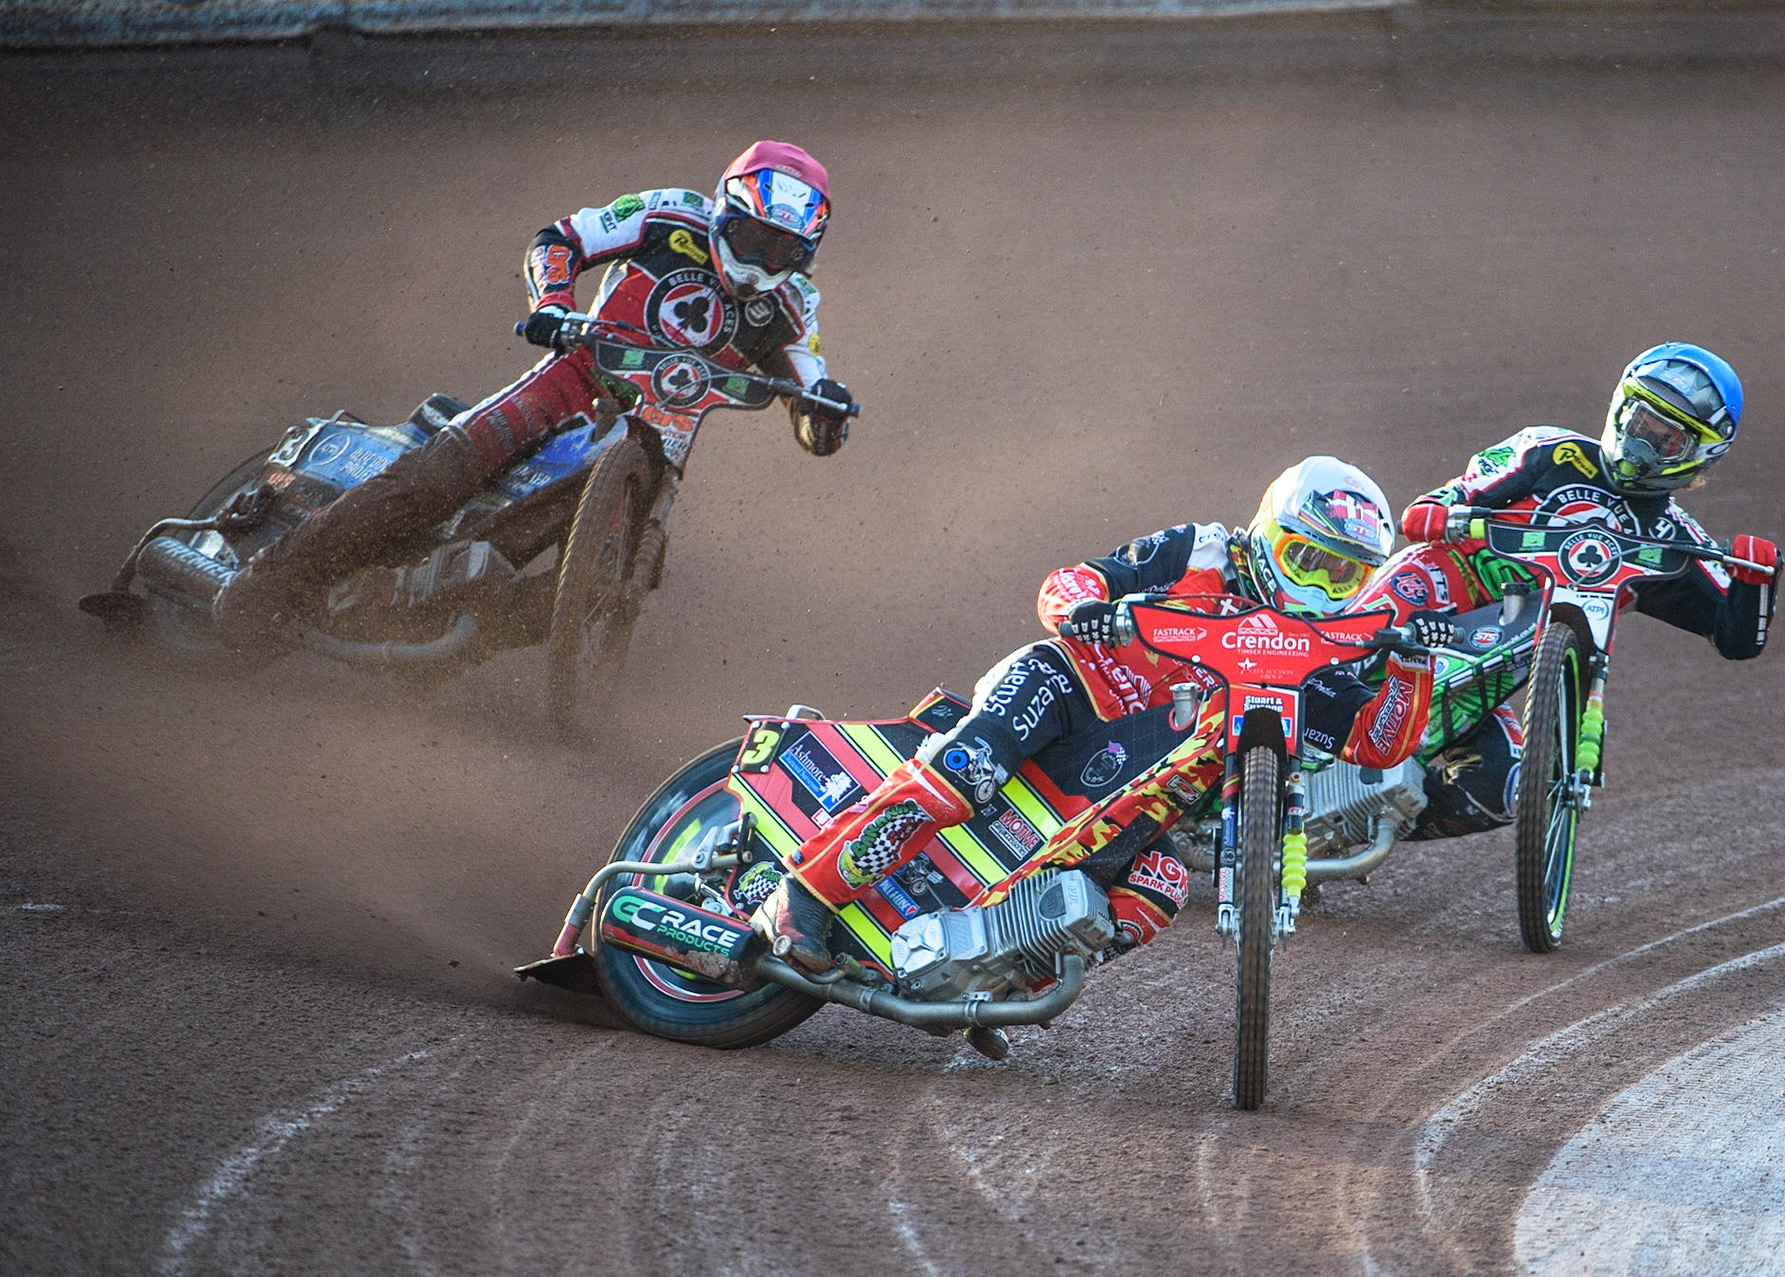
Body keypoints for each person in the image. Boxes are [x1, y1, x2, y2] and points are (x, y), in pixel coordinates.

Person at [753, 456, 1456, 976]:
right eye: (1307, 559)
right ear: (1271, 531)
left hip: (1139, 797)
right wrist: (1088, 611)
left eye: (1343, 576)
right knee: (967, 775)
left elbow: (1377, 742)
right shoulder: (1202, 550)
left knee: (1160, 889)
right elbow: (1074, 581)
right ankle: (804, 893)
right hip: (1071, 694)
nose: (1319, 586)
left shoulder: (1315, 655)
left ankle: (990, 974)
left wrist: (1413, 663)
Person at [214, 140, 854, 646]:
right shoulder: (667, 213)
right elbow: (562, 239)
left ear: (804, 254)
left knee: (620, 582)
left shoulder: (796, 304)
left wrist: (823, 418)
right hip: (575, 375)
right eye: (752, 239)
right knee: (434, 480)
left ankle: (455, 638)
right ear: (723, 212)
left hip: (663, 442)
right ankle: (262, 582)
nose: (763, 260)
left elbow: (811, 383)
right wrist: (552, 303)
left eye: (782, 250)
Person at [1349, 341, 1782, 840]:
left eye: (1666, 442)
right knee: (1375, 619)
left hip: (1504, 656)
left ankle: (1358, 827)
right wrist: (1439, 509)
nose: (1643, 446)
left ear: (1699, 456)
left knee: (1506, 782)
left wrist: (1756, 579)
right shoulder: (1554, 450)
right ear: (1622, 410)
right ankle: (1281, 708)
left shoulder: (1676, 541)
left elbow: (1736, 637)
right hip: (1450, 581)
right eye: (1642, 425)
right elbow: (1459, 493)